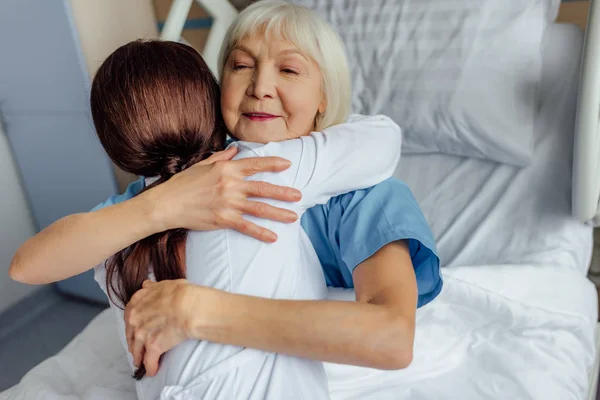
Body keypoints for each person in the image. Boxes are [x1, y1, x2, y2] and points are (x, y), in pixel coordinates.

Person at [10, 0, 442, 388]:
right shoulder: (186, 183)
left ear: (324, 97)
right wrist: (165, 205)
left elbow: (390, 337)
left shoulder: (363, 193)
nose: (260, 86)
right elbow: (32, 264)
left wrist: (196, 311)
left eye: (288, 70)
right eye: (240, 66)